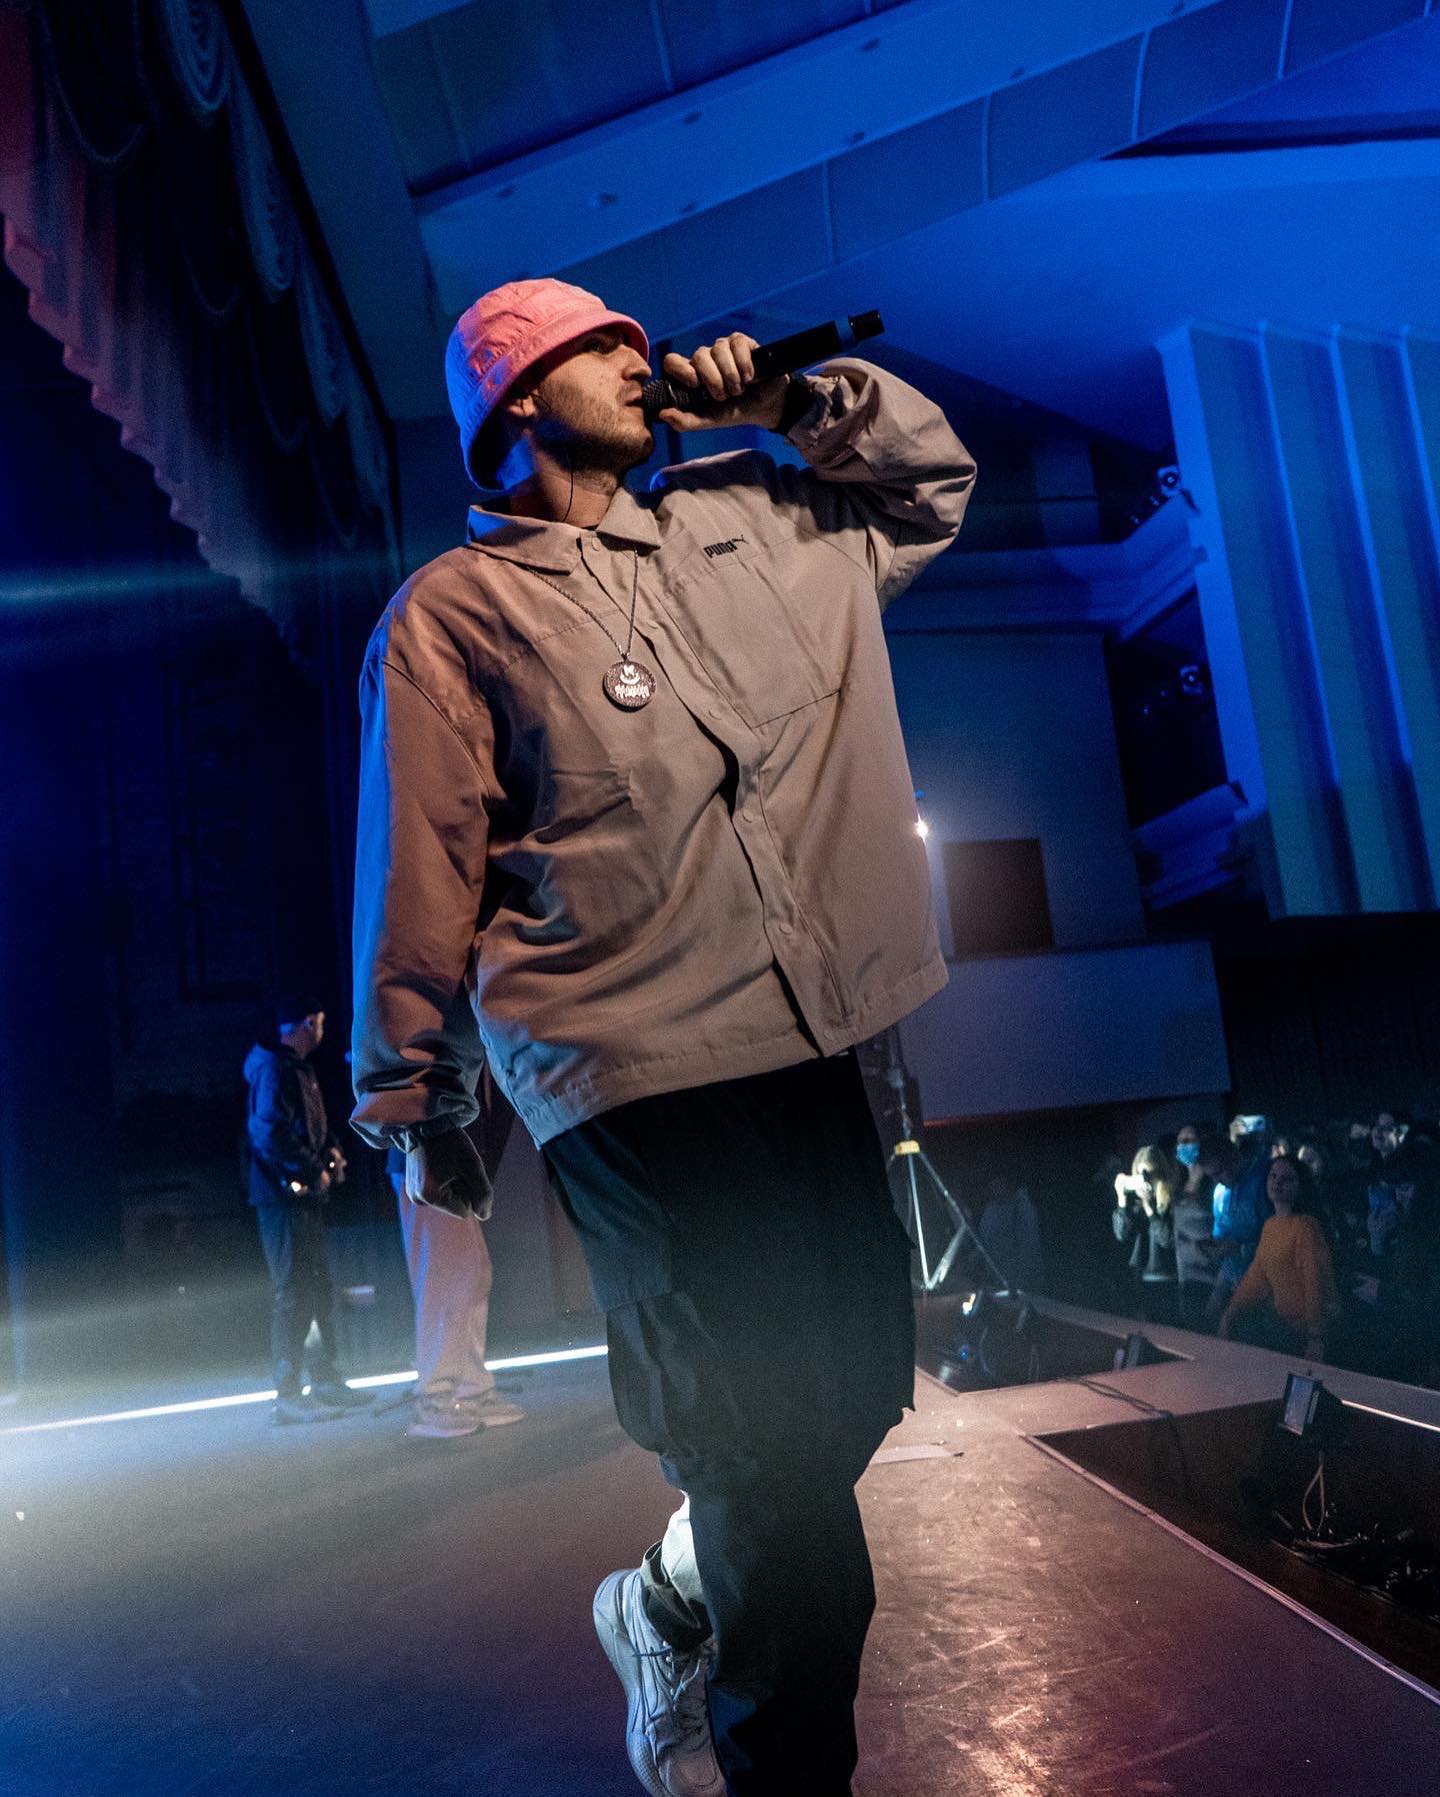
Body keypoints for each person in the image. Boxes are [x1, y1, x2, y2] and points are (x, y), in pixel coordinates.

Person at [350, 276, 976, 1797]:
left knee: (852, 1390)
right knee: (761, 1451)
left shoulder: (760, 515)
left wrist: (787, 405)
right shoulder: (453, 613)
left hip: (804, 1032)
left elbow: (932, 488)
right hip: (623, 1066)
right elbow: (419, 864)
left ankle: (668, 1600)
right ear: (514, 401)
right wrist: (417, 1093)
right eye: (598, 349)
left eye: (641, 344)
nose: (640, 360)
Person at [244, 997, 373, 1425]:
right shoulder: (275, 1069)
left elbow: (306, 1125)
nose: (322, 1029)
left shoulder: (295, 1068)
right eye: (318, 1021)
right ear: (302, 1024)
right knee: (294, 1293)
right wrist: (310, 1168)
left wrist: (330, 1150)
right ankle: (288, 1392)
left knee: (315, 1289)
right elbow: (268, 1132)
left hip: (300, 1199)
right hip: (282, 1201)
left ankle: (323, 1379)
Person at [386, 1070, 526, 1439]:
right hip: (430, 1158)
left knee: (471, 1273)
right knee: (447, 1279)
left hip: (445, 1158)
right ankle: (435, 1398)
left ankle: (469, 1389)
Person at [1218, 1153, 1338, 1360]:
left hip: (1305, 1333)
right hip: (1284, 1327)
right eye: (1273, 1176)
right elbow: (1256, 1277)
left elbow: (1314, 1280)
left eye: (1286, 1179)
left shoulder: (1305, 1226)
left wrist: (1315, 1336)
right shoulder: (1271, 1225)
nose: (1277, 1182)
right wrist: (1230, 1312)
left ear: (1300, 1186)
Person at [1111, 1145, 1178, 1324]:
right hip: (1139, 1278)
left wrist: (1149, 1207)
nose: (1145, 1179)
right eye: (1140, 1174)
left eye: (1149, 1174)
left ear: (1160, 1173)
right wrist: (1122, 1200)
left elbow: (1167, 1240)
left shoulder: (1169, 1201)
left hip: (1165, 1278)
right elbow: (1121, 1235)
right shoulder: (1133, 1203)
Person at [1171, 1124, 1223, 1330]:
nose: (1183, 1146)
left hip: (1211, 1275)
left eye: (1189, 1140)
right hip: (1185, 1275)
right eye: (1180, 1142)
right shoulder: (1178, 1183)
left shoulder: (1214, 1183)